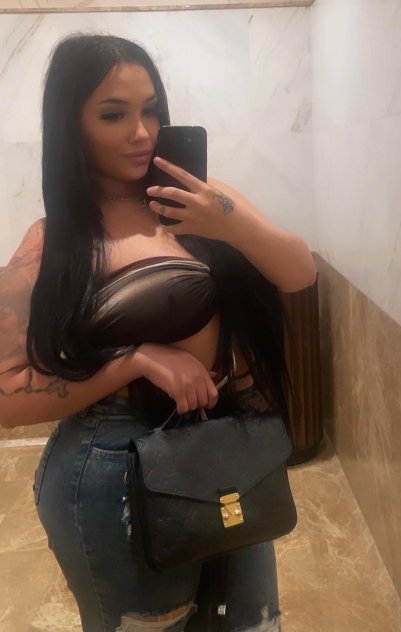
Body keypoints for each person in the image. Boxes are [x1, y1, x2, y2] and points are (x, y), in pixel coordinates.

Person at [0, 33, 316, 632]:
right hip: (113, 467)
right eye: (113, 114)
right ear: (71, 126)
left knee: (254, 623)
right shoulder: (55, 242)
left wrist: (227, 223)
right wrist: (134, 359)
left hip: (227, 451)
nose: (141, 132)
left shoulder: (206, 199)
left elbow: (298, 273)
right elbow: (5, 395)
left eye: (151, 110)